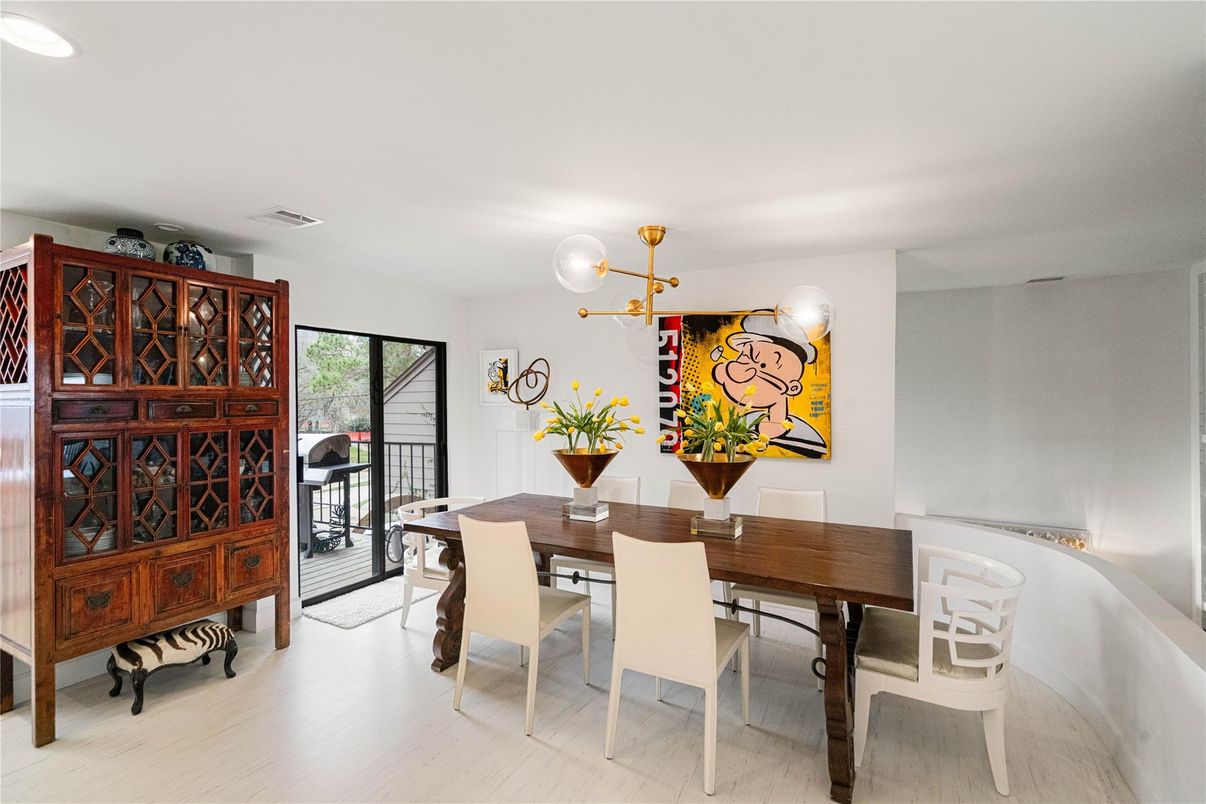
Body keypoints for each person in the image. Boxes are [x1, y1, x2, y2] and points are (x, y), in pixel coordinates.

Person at [710, 311, 828, 458]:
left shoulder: (807, 439)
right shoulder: (743, 424)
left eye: (763, 365)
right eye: (744, 358)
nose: (744, 368)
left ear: (792, 388)